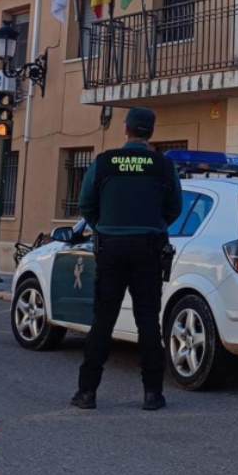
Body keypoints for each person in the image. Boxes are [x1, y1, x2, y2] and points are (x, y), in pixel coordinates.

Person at [71, 107, 182, 411]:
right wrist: (154, 226)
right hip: (148, 248)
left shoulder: (104, 163)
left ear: (127, 129)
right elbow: (174, 208)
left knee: (103, 320)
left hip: (111, 248)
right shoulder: (163, 166)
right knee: (148, 320)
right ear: (151, 132)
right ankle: (152, 394)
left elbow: (86, 204)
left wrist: (105, 227)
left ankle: (87, 393)